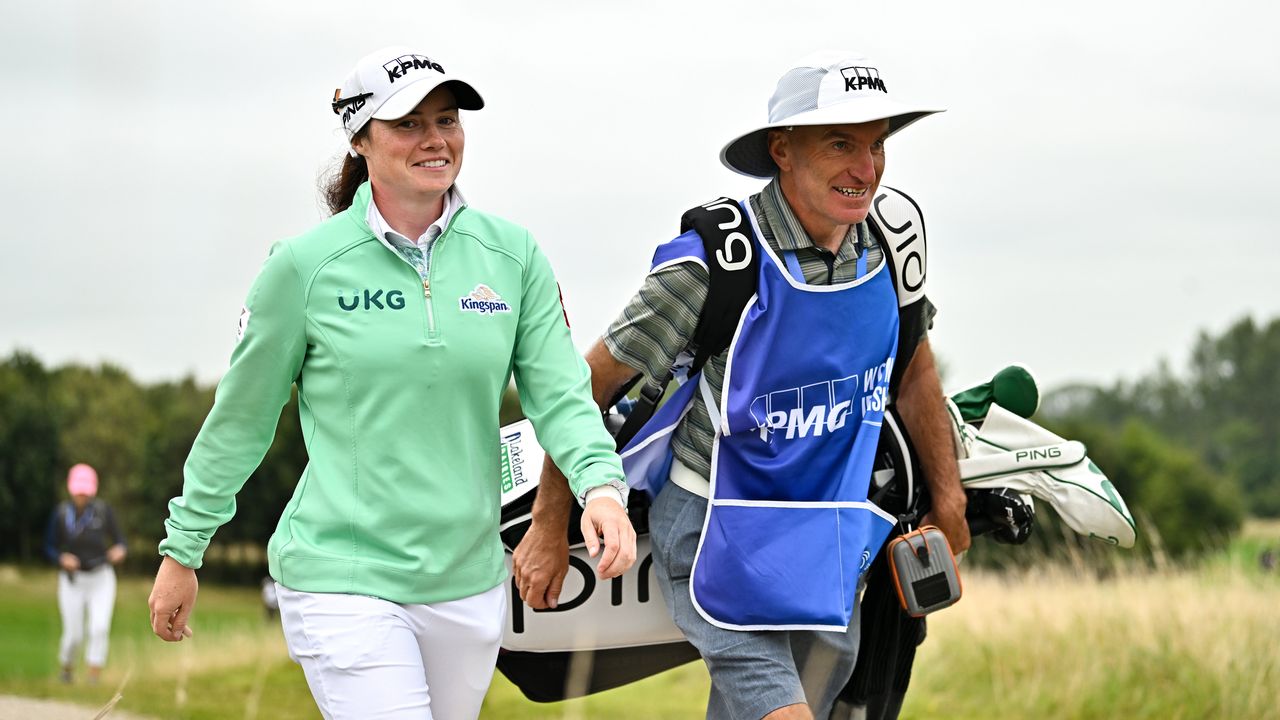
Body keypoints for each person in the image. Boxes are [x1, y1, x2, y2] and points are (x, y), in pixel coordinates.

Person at [147, 45, 636, 720]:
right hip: (341, 579)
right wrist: (184, 548)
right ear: (359, 140)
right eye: (408, 124)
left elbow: (560, 394)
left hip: (467, 582)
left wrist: (600, 488)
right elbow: (242, 418)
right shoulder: (304, 269)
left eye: (448, 120)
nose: (435, 139)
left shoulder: (513, 255)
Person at [513, 51, 969, 720]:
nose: (866, 169)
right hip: (715, 532)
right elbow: (583, 388)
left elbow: (914, 367)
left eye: (876, 146)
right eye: (841, 143)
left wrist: (949, 498)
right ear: (782, 150)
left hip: (827, 535)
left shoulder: (889, 241)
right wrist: (551, 524)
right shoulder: (715, 261)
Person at [45, 463, 127, 685]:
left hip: (101, 577)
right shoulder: (61, 513)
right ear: (72, 489)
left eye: (85, 490)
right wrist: (62, 559)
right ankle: (67, 670)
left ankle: (93, 677)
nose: (82, 495)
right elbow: (49, 547)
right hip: (73, 580)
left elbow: (121, 541)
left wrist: (119, 550)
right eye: (78, 490)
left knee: (99, 627)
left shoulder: (103, 510)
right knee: (73, 634)